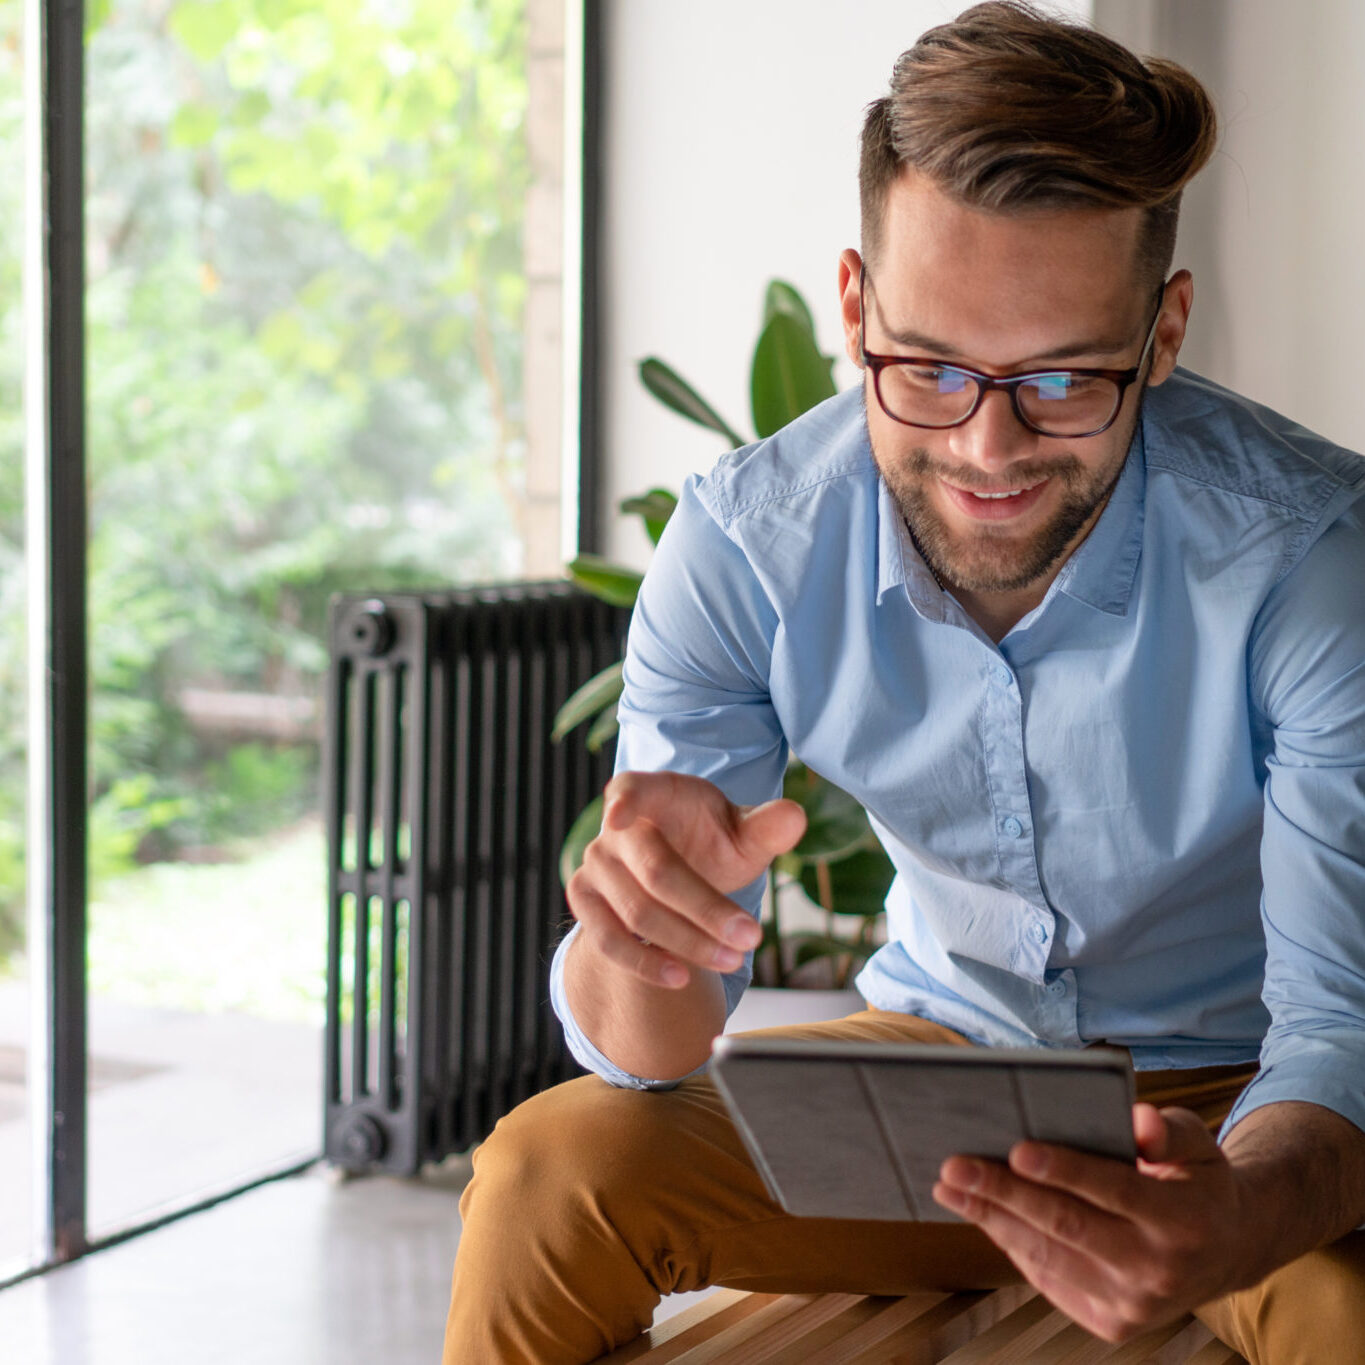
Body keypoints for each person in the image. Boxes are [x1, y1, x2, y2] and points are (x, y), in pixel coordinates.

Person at [444, 5, 1365, 1361]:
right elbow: (645, 1044)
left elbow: (1339, 1026)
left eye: (1060, 376)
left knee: (1341, 1305)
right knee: (542, 1174)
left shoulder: (1308, 559)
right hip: (931, 1077)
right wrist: (637, 946)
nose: (987, 447)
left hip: (1234, 1100)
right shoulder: (747, 549)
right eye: (926, 366)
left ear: (1161, 334)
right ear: (854, 308)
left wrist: (1231, 1214)